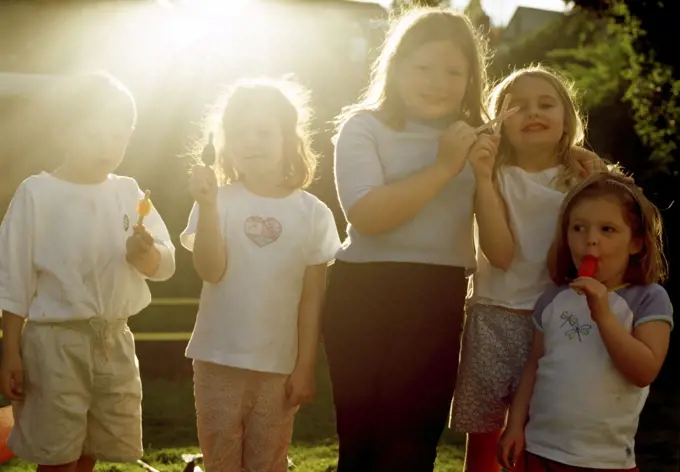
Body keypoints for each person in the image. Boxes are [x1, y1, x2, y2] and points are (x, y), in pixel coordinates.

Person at [0, 72, 176, 472]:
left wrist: (143, 255)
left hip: (113, 340)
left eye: (118, 136)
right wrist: (10, 350)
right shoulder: (37, 194)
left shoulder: (129, 193)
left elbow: (164, 262)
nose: (107, 146)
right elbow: (12, 279)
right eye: (94, 134)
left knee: (91, 447)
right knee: (58, 451)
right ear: (63, 130)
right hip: (55, 345)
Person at [180, 78, 341, 472]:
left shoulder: (314, 214)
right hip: (217, 359)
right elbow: (210, 270)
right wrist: (207, 204)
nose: (251, 141)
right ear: (226, 144)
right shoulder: (216, 200)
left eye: (264, 131)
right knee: (221, 462)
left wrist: (305, 366)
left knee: (268, 463)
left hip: (278, 366)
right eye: (240, 133)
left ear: (288, 138)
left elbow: (311, 299)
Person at [451, 66, 597, 472]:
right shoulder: (493, 175)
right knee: (483, 445)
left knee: (535, 443)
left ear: (567, 119)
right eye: (518, 106)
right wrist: (482, 179)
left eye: (546, 104)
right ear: (500, 122)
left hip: (553, 324)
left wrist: (590, 186)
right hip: (492, 317)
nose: (534, 112)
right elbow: (499, 254)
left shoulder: (582, 180)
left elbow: (576, 259)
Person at [498, 172, 672, 472]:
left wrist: (603, 314)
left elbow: (644, 371)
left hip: (604, 461)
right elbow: (534, 367)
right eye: (578, 228)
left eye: (608, 229)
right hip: (540, 451)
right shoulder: (553, 298)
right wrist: (514, 425)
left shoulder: (648, 298)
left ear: (636, 243)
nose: (590, 239)